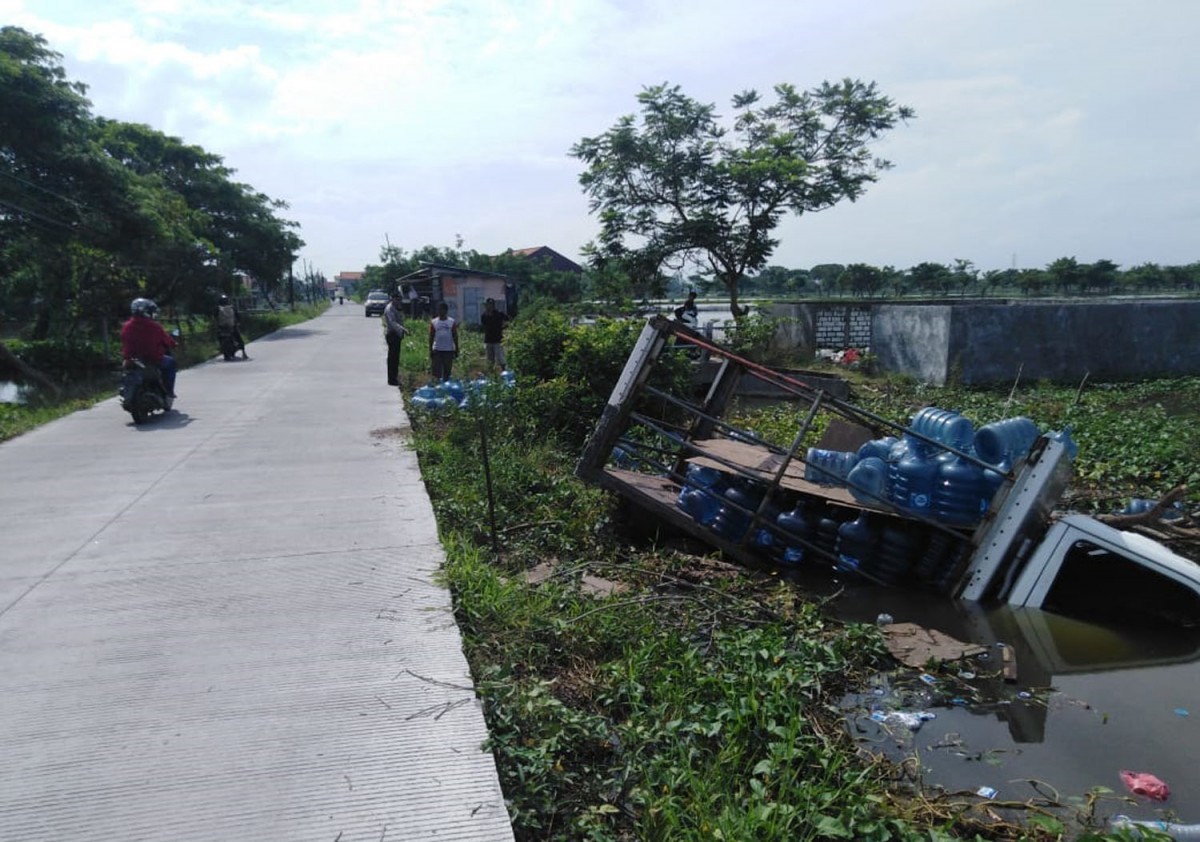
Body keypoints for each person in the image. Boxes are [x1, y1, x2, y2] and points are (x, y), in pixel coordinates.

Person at [121, 297, 178, 397]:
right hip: (153, 359)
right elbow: (167, 341)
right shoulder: (154, 327)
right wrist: (173, 344)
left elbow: (124, 340)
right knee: (171, 363)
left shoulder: (126, 326)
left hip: (131, 359)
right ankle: (169, 390)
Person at [383, 288, 408, 386]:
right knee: (392, 358)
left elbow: (401, 318)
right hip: (392, 334)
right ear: (392, 299)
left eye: (399, 299)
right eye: (397, 299)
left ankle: (395, 377)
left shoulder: (396, 307)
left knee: (396, 357)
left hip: (397, 335)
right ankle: (392, 379)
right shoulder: (389, 309)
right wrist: (403, 330)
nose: (399, 301)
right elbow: (393, 323)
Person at [428, 301, 458, 381]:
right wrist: (430, 349)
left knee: (447, 372)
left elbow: (455, 336)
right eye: (439, 309)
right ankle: (437, 387)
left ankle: (446, 387)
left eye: (442, 309)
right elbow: (431, 336)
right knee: (436, 372)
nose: (440, 311)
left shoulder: (451, 322)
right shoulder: (434, 322)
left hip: (448, 350)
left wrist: (457, 349)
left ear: (446, 310)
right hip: (437, 350)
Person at [216, 294, 248, 359]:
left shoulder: (217, 309)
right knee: (239, 340)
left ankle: (222, 350)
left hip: (221, 328)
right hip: (232, 327)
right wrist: (238, 322)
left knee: (220, 339)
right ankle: (244, 353)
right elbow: (238, 317)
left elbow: (214, 318)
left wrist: (217, 326)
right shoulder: (232, 307)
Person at [480, 297, 508, 371]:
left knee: (500, 358)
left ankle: (504, 371)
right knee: (490, 359)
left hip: (498, 339)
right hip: (488, 339)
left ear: (493, 305)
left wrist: (503, 327)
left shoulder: (499, 314)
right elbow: (483, 326)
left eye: (490, 304)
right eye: (487, 305)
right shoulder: (484, 316)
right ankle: (491, 374)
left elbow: (507, 320)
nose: (489, 306)